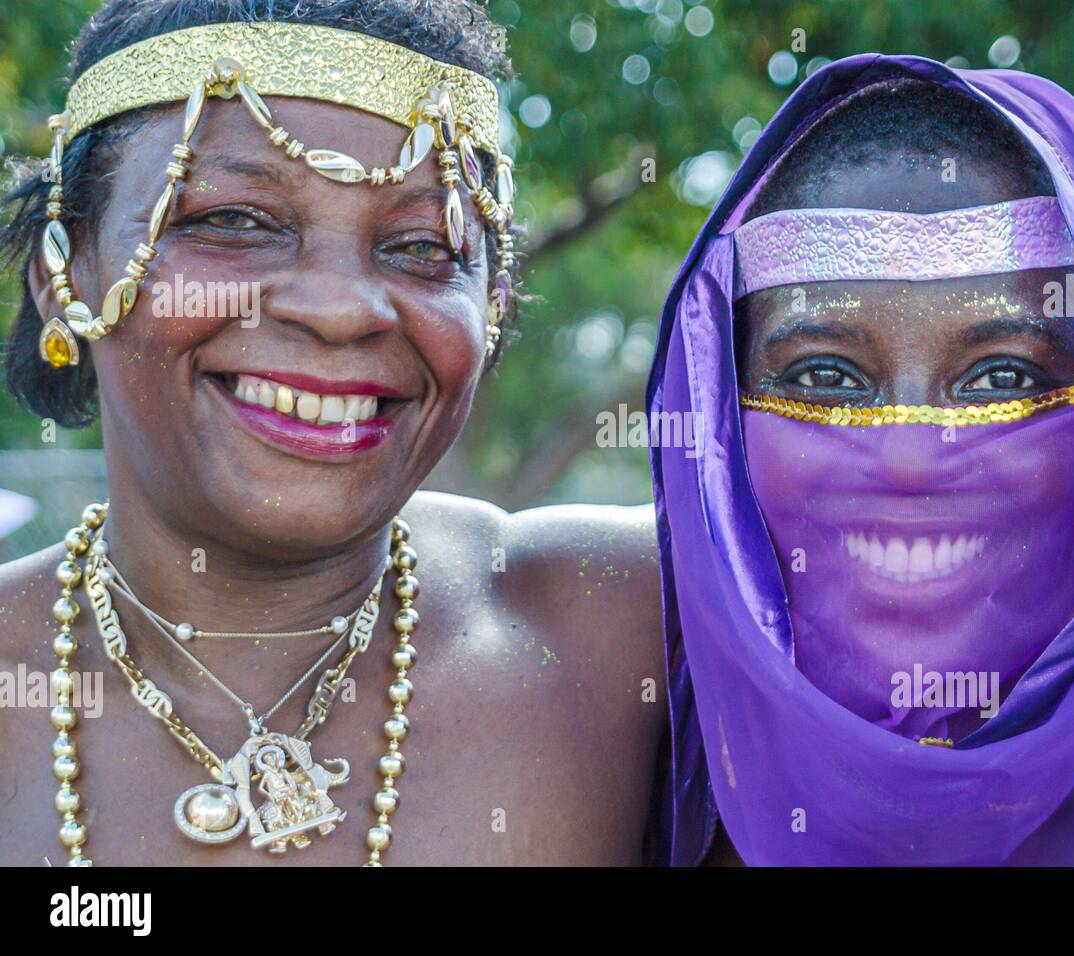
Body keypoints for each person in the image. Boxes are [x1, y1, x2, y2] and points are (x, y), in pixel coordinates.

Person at [0, 0, 665, 867]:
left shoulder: (632, 624)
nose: (344, 308)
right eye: (234, 221)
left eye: (426, 246)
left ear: (491, 306)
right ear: (65, 272)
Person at [648, 54, 1074, 865]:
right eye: (825, 376)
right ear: (718, 413)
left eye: (1003, 375)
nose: (913, 455)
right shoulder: (625, 746)